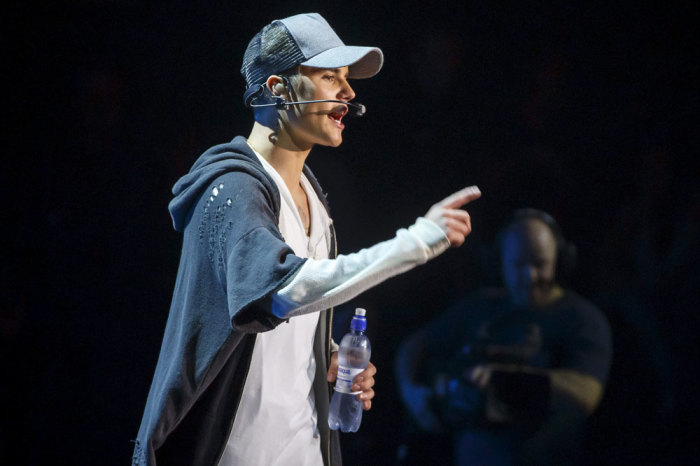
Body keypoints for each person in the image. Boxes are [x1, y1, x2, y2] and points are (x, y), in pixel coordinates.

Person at [131, 12, 481, 466]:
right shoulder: (232, 188)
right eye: (330, 77)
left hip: (305, 450)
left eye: (347, 79)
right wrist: (415, 242)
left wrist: (322, 359)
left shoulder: (315, 198)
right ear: (278, 88)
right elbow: (282, 289)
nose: (349, 93)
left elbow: (285, 319)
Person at [395, 209, 612, 465]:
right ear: (500, 264)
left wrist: (503, 380)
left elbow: (586, 394)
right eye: (519, 265)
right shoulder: (481, 305)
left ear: (560, 260)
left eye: (540, 264)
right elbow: (415, 345)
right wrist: (412, 392)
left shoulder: (582, 318)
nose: (530, 276)